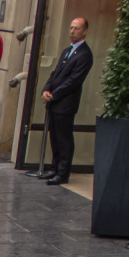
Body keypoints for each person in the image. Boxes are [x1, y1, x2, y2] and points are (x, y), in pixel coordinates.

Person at [38, 16, 93, 186]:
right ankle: (54, 168)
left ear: (84, 31)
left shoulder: (84, 54)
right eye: (71, 27)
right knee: (54, 136)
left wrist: (54, 94)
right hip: (54, 102)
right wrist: (46, 89)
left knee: (64, 138)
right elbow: (55, 73)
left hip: (65, 104)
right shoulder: (67, 51)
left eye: (76, 28)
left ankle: (63, 173)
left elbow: (74, 81)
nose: (72, 31)